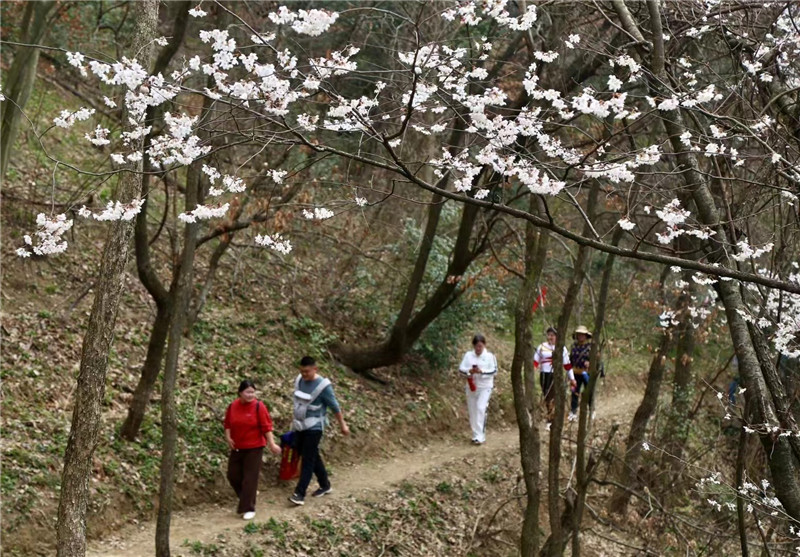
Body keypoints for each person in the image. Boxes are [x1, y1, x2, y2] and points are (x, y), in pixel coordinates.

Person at [289, 356, 350, 506]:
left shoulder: (323, 386)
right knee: (309, 453)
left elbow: (334, 406)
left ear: (315, 369)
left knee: (308, 459)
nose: (304, 375)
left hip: (315, 427)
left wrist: (342, 424)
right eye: (301, 371)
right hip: (300, 425)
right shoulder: (299, 380)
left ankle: (300, 493)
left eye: (307, 372)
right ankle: (325, 484)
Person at [224, 380, 281, 520]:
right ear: (240, 393)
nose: (250, 395)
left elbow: (266, 427)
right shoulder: (233, 406)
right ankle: (248, 495)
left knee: (250, 477)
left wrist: (272, 444)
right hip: (238, 446)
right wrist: (228, 437)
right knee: (233, 475)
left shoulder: (258, 406)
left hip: (255, 446)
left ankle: (249, 507)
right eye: (247, 392)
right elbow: (227, 424)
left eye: (252, 392)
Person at [458, 334, 498, 445]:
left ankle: (481, 435)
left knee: (481, 407)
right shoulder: (468, 356)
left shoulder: (490, 356)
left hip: (485, 386)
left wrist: (482, 371)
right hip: (471, 386)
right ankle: (475, 434)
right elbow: (461, 369)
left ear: (484, 345)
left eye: (480, 346)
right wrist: (469, 371)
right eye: (476, 346)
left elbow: (494, 371)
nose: (478, 349)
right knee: (473, 410)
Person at [534, 327, 572, 430]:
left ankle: (551, 420)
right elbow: (535, 361)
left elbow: (567, 365)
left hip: (555, 375)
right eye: (549, 335)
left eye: (552, 335)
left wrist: (572, 378)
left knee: (553, 397)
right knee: (547, 397)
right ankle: (551, 416)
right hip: (544, 375)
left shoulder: (561, 348)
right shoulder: (541, 347)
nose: (550, 337)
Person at [569, 326, 592, 421]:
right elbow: (570, 359)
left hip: (586, 373)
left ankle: (591, 409)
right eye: (579, 335)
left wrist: (590, 363)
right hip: (575, 372)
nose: (581, 336)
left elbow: (596, 359)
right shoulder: (573, 346)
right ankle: (573, 411)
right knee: (575, 392)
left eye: (583, 335)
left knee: (588, 391)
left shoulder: (590, 347)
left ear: (586, 336)